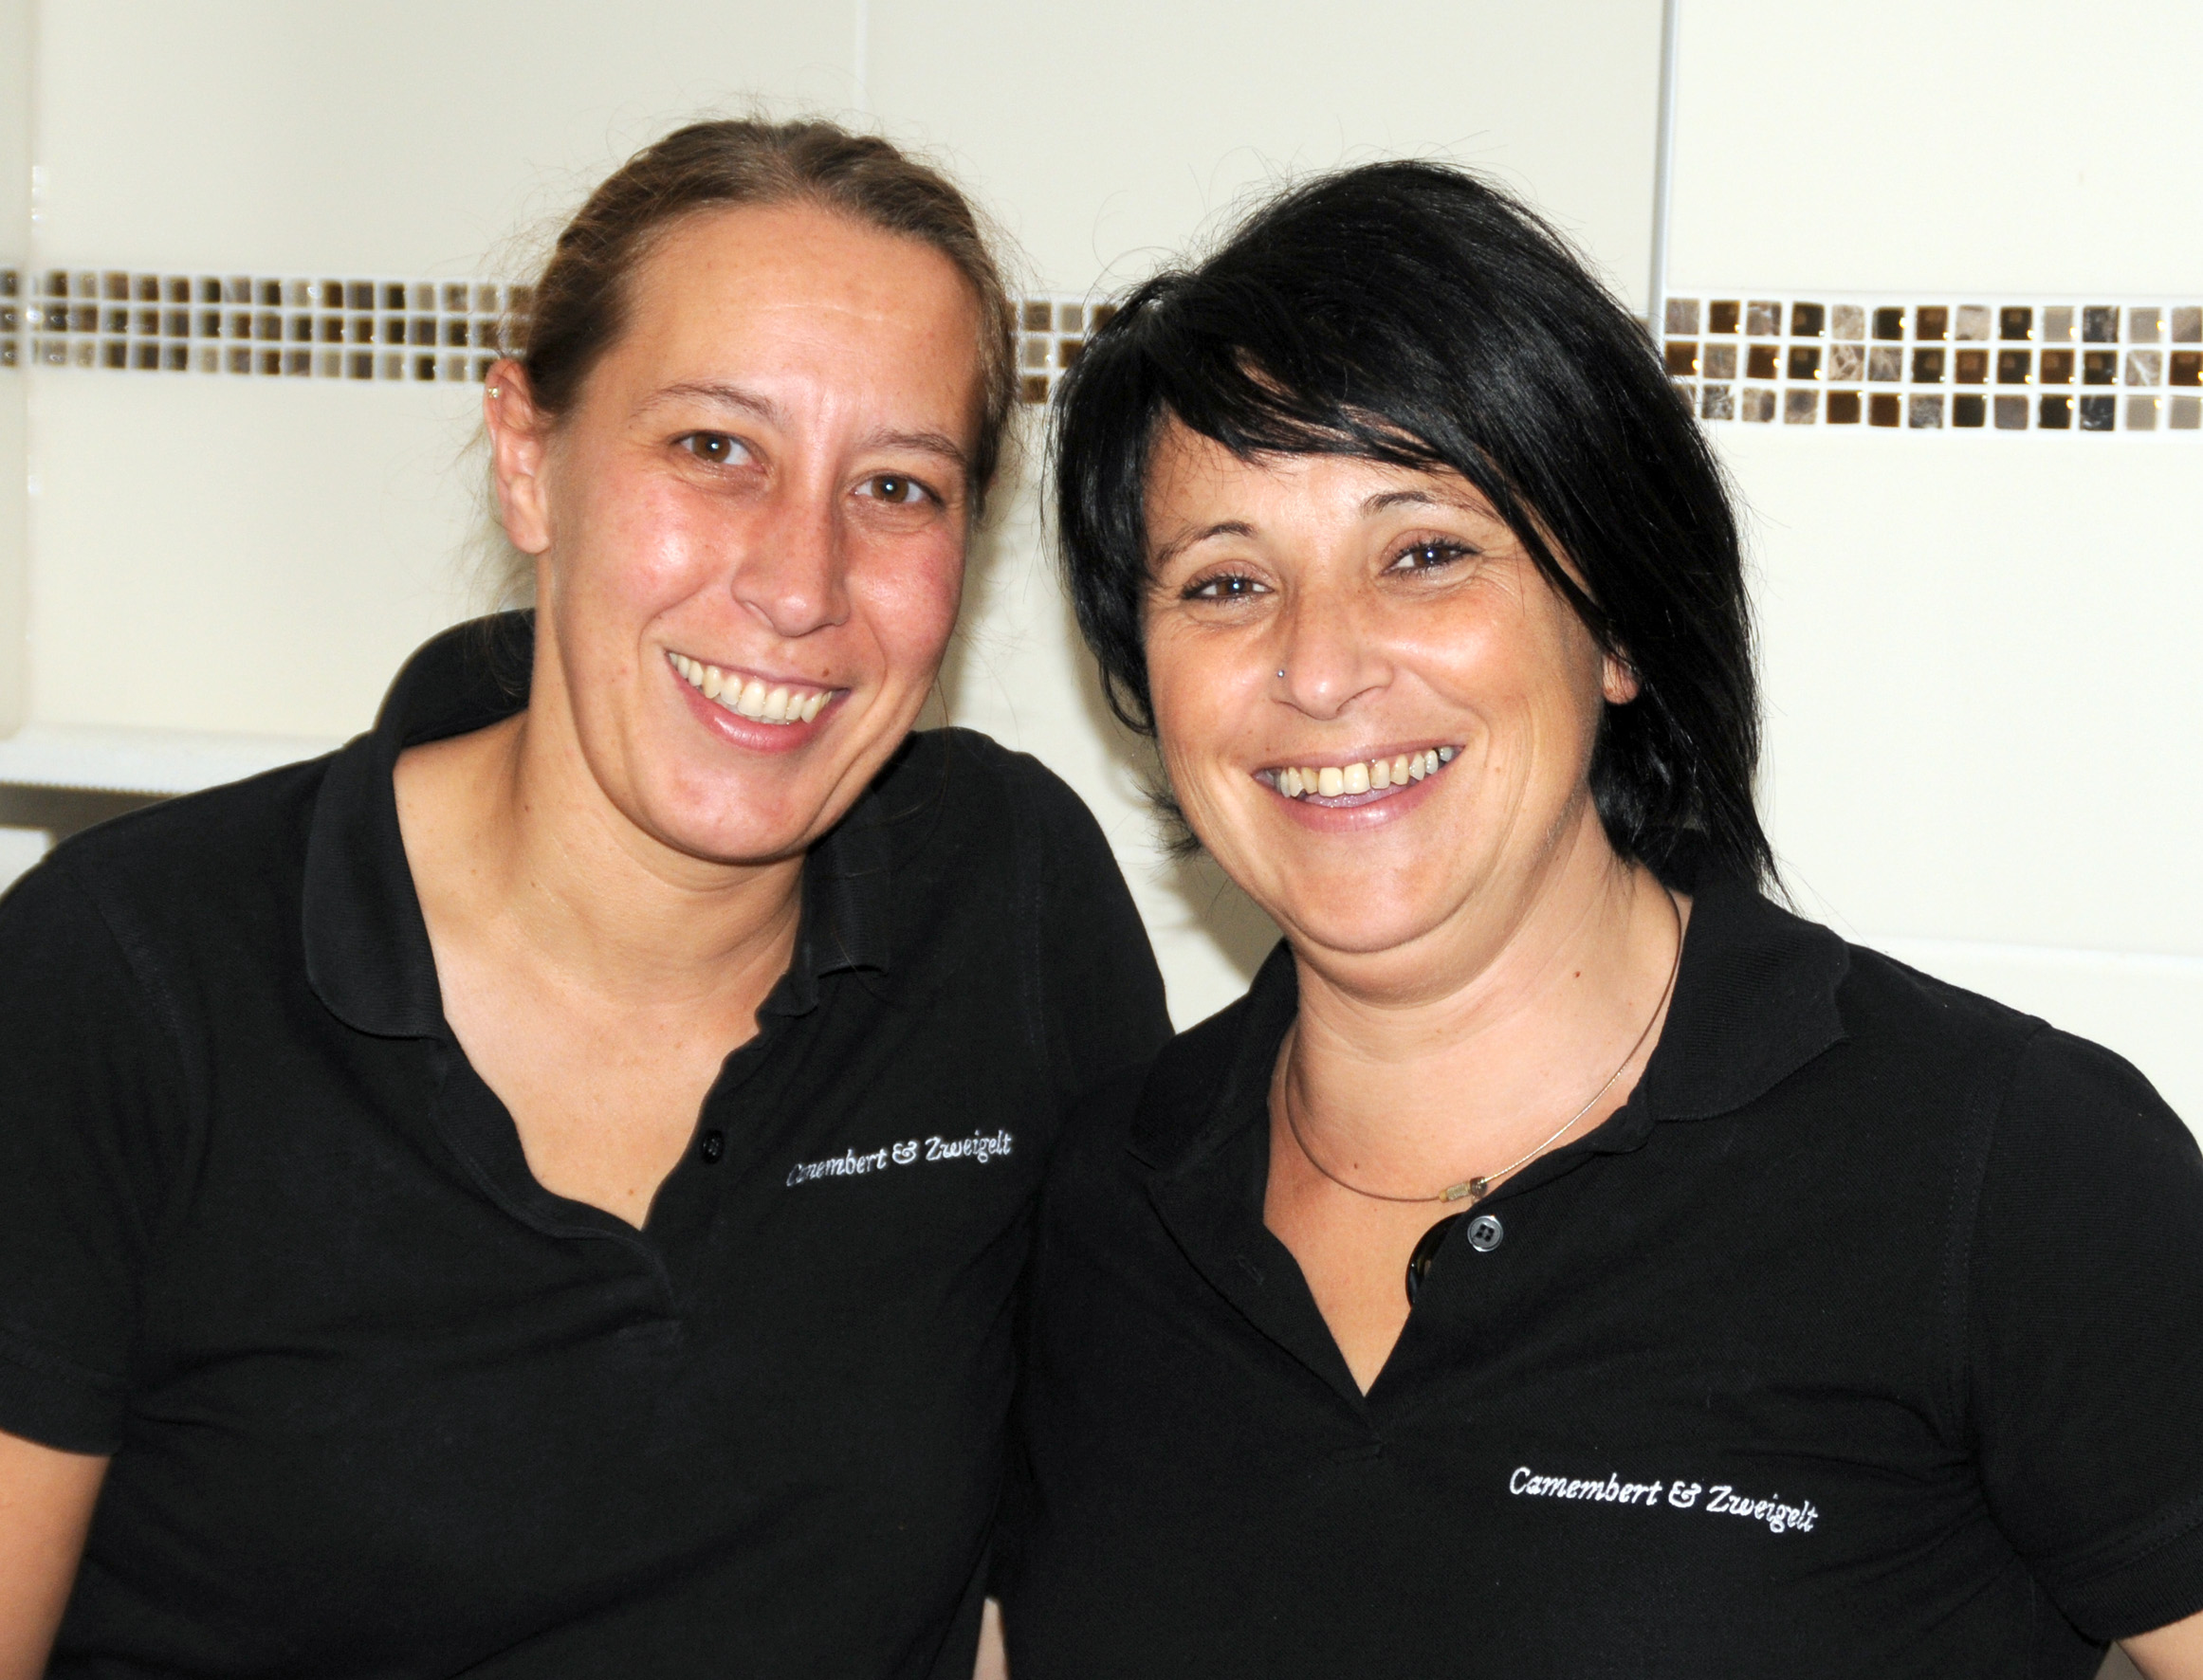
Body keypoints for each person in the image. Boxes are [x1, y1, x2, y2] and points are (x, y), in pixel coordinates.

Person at [994, 160, 2203, 1678]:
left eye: (1425, 553)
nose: (1319, 668)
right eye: (1226, 583)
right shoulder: (1101, 1211)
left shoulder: (2007, 1168)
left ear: (1618, 624)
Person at [0, 118, 1168, 1677]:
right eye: (714, 449)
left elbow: (1114, 1524)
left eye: (897, 486)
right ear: (527, 458)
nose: (800, 583)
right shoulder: (128, 974)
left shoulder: (1004, 903)